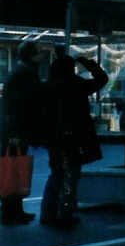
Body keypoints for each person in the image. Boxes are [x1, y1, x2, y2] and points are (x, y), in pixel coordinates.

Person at [40, 54, 108, 228]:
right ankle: (65, 212)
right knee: (70, 175)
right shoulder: (76, 84)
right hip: (73, 138)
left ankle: (48, 212)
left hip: (53, 138)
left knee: (56, 173)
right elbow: (102, 79)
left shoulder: (49, 86)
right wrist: (89, 64)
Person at [0, 41, 45, 225]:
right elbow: (23, 106)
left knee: (13, 169)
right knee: (15, 170)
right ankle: (12, 212)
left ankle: (12, 210)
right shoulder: (25, 74)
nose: (42, 56)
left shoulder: (20, 72)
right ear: (31, 55)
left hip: (11, 129)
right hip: (15, 130)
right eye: (39, 53)